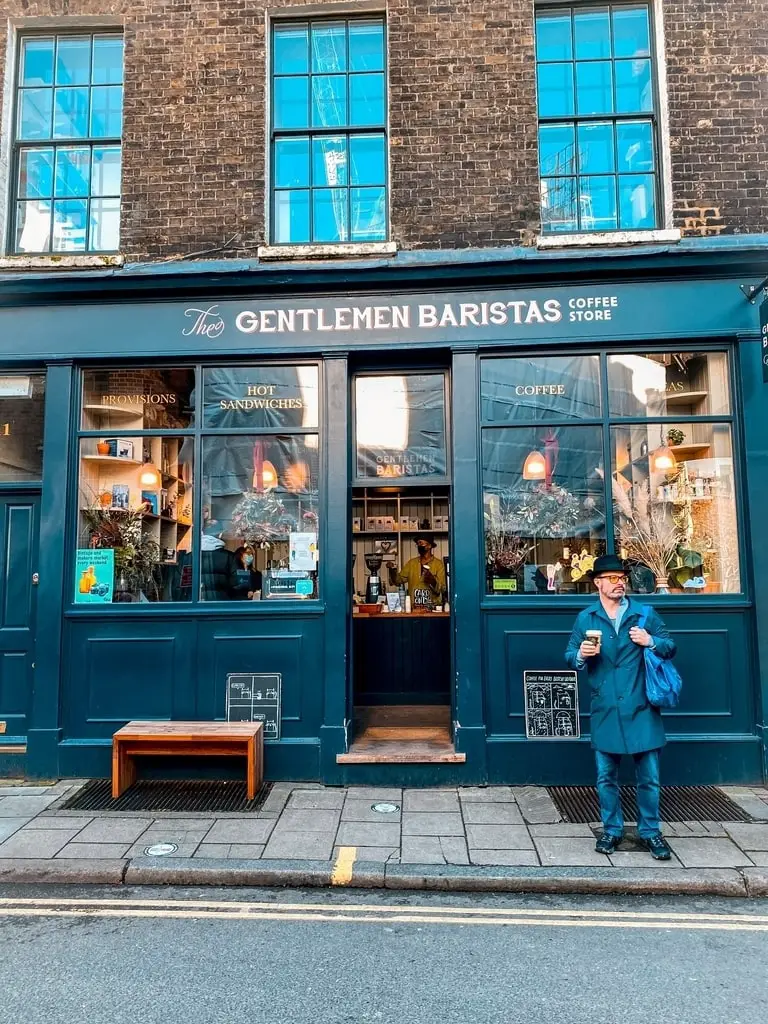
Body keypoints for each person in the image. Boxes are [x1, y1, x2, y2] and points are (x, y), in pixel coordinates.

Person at [565, 554, 677, 860]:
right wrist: (581, 655)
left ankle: (651, 832)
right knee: (606, 777)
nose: (619, 584)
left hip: (641, 706)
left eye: (622, 578)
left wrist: (650, 640)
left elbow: (670, 647)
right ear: (598, 583)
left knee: (649, 778)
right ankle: (611, 831)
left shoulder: (644, 614)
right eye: (612, 579)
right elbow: (569, 653)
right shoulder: (586, 618)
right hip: (605, 707)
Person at [396, 532, 446, 608]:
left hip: (432, 610)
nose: (419, 546)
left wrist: (432, 580)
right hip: (414, 609)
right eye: (418, 544)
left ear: (429, 546)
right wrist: (392, 570)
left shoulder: (439, 564)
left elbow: (443, 589)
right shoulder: (411, 563)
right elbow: (398, 580)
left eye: (421, 543)